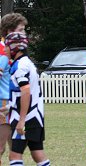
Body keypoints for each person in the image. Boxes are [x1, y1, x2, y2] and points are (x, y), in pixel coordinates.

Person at [4, 32, 50, 166]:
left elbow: (25, 91)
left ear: (15, 47)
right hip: (35, 115)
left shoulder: (20, 66)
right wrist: (8, 107)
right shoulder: (26, 63)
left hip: (25, 118)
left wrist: (21, 120)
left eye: (7, 46)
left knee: (14, 156)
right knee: (37, 153)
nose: (5, 50)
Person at [0, 13, 28, 166]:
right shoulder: (3, 51)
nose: (24, 34)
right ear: (10, 31)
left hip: (12, 104)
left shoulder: (11, 51)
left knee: (15, 151)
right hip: (3, 104)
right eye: (21, 30)